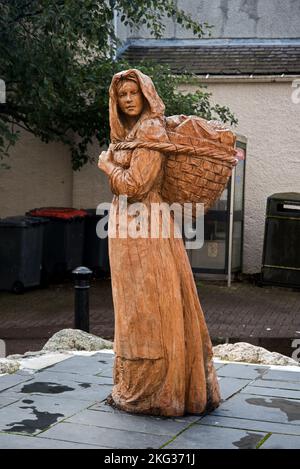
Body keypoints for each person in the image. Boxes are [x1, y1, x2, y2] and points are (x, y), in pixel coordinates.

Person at [98, 68, 220, 416]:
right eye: (122, 96)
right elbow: (122, 188)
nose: (128, 100)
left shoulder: (150, 129)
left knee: (151, 301)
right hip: (125, 226)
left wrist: (107, 165)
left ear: (146, 94)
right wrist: (114, 169)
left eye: (133, 93)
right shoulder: (128, 133)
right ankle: (138, 384)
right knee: (133, 304)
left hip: (146, 226)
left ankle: (161, 390)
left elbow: (136, 185)